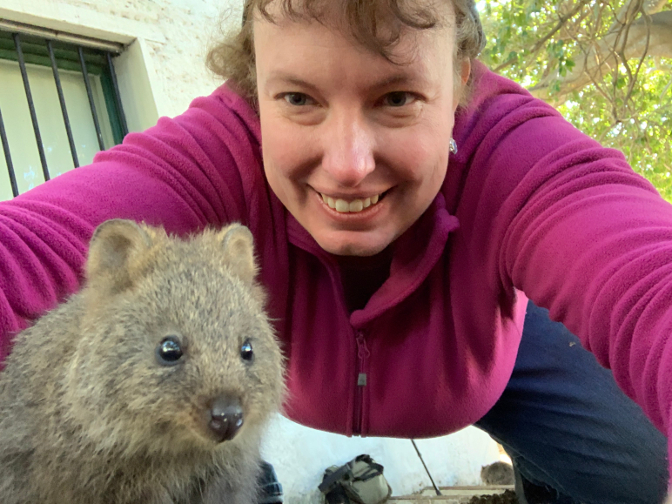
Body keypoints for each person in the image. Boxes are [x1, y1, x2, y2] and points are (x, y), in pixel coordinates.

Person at [0, 0, 670, 502]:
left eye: (398, 96)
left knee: (637, 464)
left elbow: (644, 274)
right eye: (297, 97)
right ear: (255, 88)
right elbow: (31, 246)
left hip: (472, 342)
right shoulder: (219, 151)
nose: (348, 165)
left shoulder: (512, 151)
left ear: (463, 81)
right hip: (244, 375)